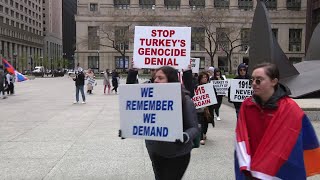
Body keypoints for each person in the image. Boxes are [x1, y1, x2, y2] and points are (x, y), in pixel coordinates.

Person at [235, 63, 320, 179]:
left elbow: (302, 141)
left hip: (278, 171)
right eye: (252, 80)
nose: (254, 84)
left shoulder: (290, 109)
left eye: (259, 80)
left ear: (274, 82)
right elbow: (241, 138)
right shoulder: (247, 105)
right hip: (252, 171)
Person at [145, 66, 199, 180]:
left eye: (160, 78)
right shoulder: (150, 98)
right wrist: (128, 128)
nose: (155, 80)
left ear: (170, 80)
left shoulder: (185, 100)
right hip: (156, 152)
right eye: (155, 78)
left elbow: (194, 128)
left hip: (177, 154)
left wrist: (185, 136)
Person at [196, 72, 213, 145]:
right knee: (200, 123)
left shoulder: (209, 87)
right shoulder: (196, 87)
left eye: (206, 77)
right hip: (199, 109)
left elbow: (213, 97)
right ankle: (200, 138)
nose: (204, 79)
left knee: (206, 123)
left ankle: (204, 133)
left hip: (207, 109)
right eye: (203, 77)